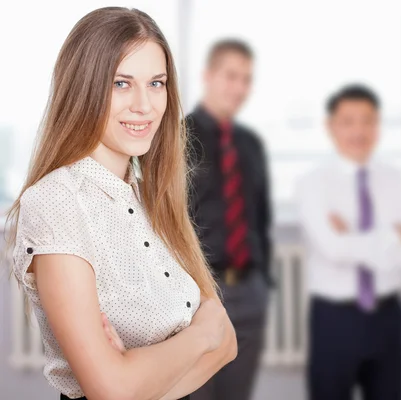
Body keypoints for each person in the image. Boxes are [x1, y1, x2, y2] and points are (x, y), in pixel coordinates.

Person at [6, 7, 237, 400]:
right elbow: (111, 389)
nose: (145, 106)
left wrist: (136, 376)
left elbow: (228, 342)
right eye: (121, 83)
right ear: (84, 88)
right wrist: (201, 334)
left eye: (157, 83)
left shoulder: (151, 195)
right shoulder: (56, 201)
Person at [296, 84, 401, 400]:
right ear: (330, 127)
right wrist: (395, 236)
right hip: (334, 318)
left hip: (388, 316)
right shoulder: (313, 184)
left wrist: (354, 239)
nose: (359, 130)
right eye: (348, 121)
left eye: (368, 120)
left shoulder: (400, 181)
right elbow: (332, 249)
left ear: (378, 125)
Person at [185, 39, 271, 400]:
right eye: (231, 76)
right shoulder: (176, 136)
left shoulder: (250, 143)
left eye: (247, 79)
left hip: (249, 293)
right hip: (199, 296)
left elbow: (260, 218)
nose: (239, 88)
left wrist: (263, 283)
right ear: (208, 75)